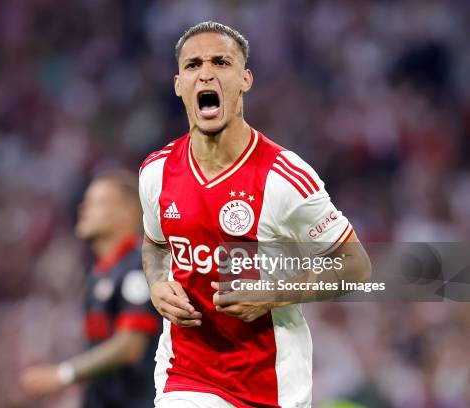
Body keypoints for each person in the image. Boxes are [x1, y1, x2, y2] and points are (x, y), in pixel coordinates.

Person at [139, 21, 372, 408]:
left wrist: (271, 294)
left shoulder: (284, 177)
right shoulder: (156, 171)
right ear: (179, 83)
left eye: (221, 62)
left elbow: (357, 267)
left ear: (245, 79)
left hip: (272, 385)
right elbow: (154, 243)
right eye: (193, 65)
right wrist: (156, 283)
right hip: (186, 374)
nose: (207, 73)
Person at [22, 170, 161, 408]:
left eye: (98, 202)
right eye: (86, 202)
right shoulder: (100, 273)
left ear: (129, 212)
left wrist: (64, 374)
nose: (84, 208)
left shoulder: (140, 266)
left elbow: (130, 345)